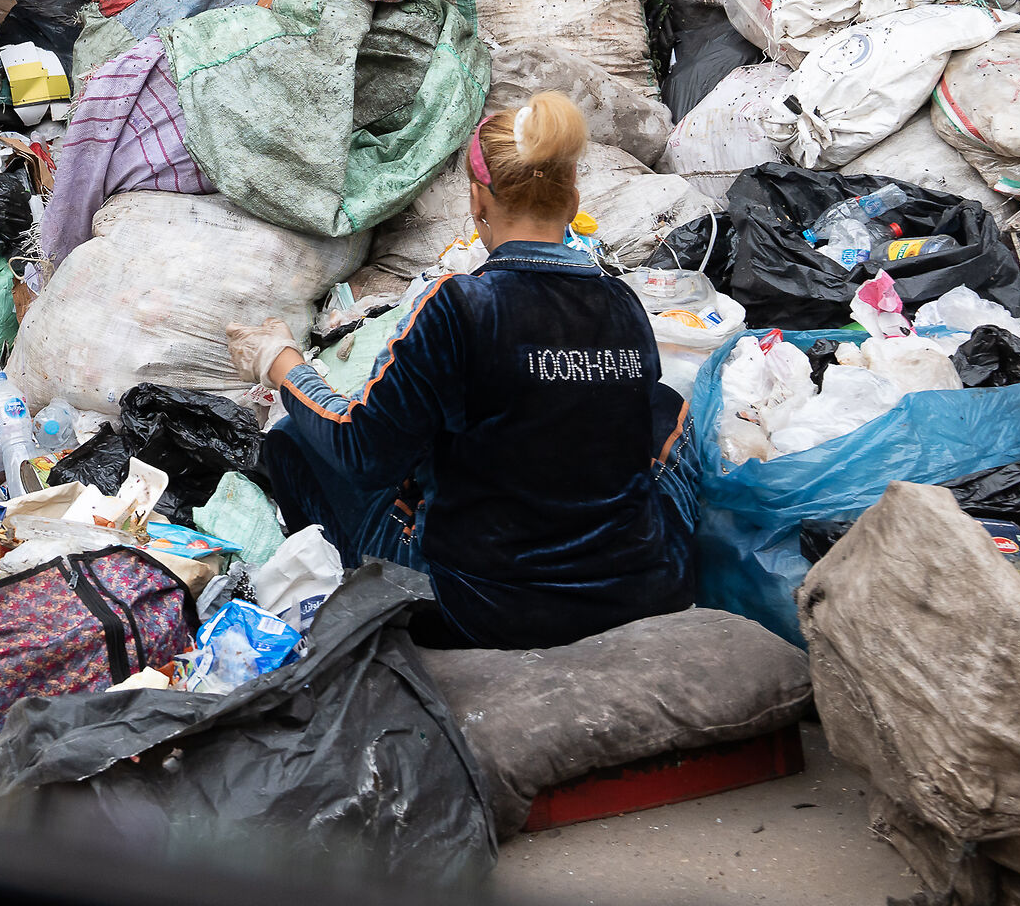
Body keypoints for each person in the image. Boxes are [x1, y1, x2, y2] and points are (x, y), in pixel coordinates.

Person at [228, 92, 697, 650]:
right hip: (637, 590)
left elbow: (360, 450)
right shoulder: (623, 304)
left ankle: (348, 594)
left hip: (490, 609)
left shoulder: (462, 307)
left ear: (477, 204)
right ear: (572, 200)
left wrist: (283, 366)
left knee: (293, 442)